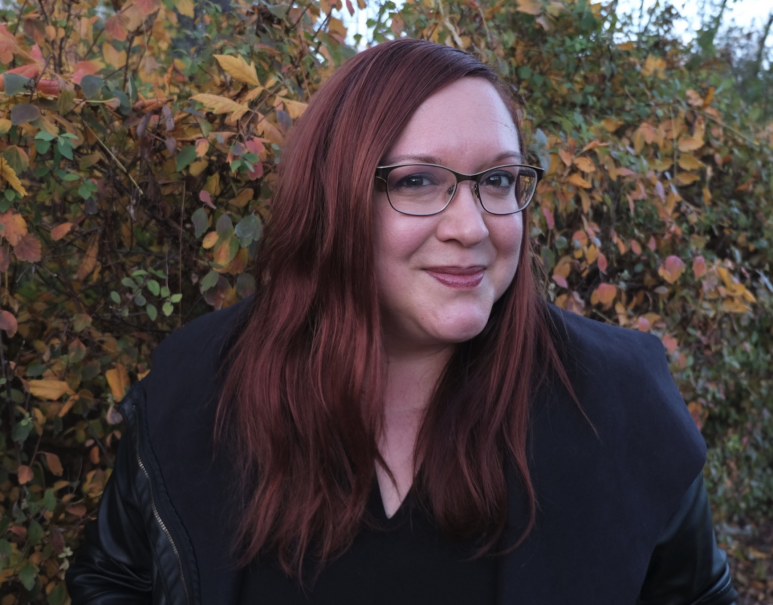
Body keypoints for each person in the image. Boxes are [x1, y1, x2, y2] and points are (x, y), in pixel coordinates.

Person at [66, 38, 738, 605]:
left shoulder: (620, 403)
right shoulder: (199, 386)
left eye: (498, 181)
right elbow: (113, 575)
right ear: (334, 200)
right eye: (418, 181)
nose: (471, 227)